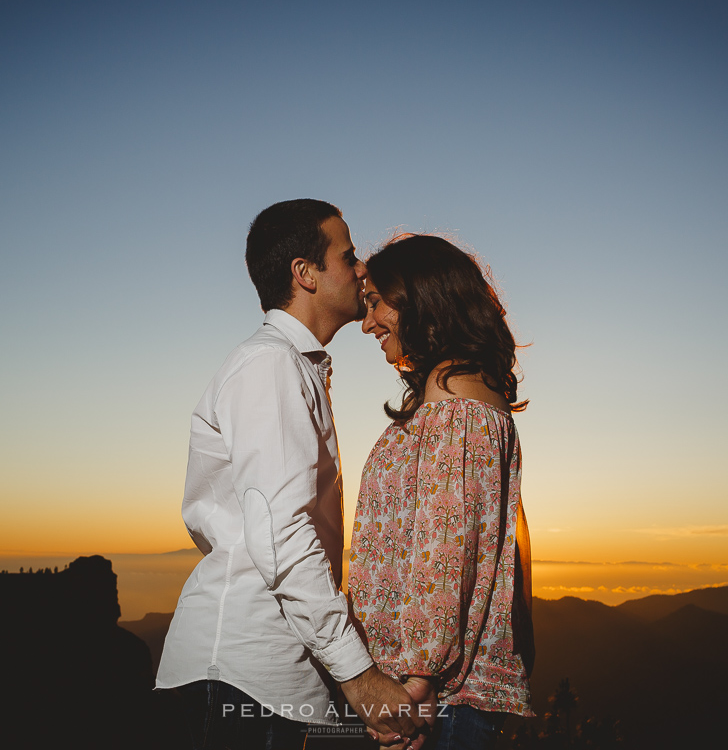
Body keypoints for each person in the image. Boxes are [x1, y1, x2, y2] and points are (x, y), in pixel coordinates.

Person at [156, 200, 428, 750]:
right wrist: (359, 676)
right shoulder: (271, 365)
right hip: (237, 675)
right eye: (347, 256)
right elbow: (280, 531)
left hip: (256, 675)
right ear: (304, 273)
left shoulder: (291, 365)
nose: (361, 269)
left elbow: (239, 525)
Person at [350, 234, 536, 750]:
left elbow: (445, 549)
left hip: (436, 699)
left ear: (420, 299)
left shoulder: (455, 402)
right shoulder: (464, 393)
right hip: (433, 691)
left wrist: (419, 680)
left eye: (375, 303)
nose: (366, 324)